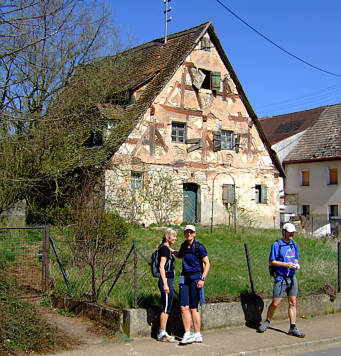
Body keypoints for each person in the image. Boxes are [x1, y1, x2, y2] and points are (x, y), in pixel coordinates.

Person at [258, 222, 305, 338]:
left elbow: (296, 259)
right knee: (275, 303)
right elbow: (272, 261)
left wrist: (295, 265)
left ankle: (293, 327)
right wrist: (286, 265)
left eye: (293, 232)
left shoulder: (294, 245)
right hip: (280, 278)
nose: (291, 234)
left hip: (292, 277)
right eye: (289, 232)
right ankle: (267, 321)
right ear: (284, 232)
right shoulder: (276, 245)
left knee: (293, 302)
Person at [175, 224, 210, 345]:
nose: (189, 234)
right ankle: (187, 333)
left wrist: (202, 279)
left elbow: (207, 263)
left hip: (196, 279)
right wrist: (169, 250)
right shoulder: (184, 245)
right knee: (183, 307)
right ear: (184, 234)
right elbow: (180, 255)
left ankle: (197, 333)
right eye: (187, 232)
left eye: (191, 232)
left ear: (194, 234)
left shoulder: (199, 247)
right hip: (185, 278)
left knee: (193, 308)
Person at [157, 228, 177, 342]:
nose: (175, 238)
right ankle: (162, 332)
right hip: (166, 280)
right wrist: (165, 284)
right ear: (168, 236)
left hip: (168, 280)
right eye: (173, 236)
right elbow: (161, 266)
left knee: (168, 305)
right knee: (165, 307)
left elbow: (175, 253)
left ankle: (163, 331)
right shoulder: (164, 249)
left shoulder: (166, 248)